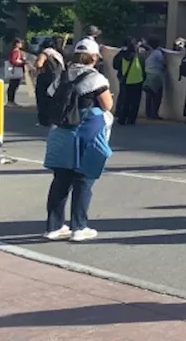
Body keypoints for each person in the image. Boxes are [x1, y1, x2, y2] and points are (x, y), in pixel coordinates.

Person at [42, 38, 114, 242]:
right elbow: (107, 105)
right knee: (84, 178)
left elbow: (50, 94)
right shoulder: (96, 78)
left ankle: (54, 227)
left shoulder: (64, 75)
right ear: (93, 57)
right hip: (87, 131)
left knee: (61, 179)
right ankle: (79, 227)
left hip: (61, 130)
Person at [34, 37, 66, 127]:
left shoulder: (44, 53)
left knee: (42, 99)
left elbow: (39, 64)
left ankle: (43, 120)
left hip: (45, 79)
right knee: (53, 99)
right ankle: (54, 119)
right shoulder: (57, 54)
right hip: (57, 79)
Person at [114, 40, 146, 126]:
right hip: (138, 80)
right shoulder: (140, 55)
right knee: (135, 101)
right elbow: (143, 66)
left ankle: (122, 118)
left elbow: (115, 65)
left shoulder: (123, 54)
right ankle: (132, 119)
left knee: (125, 100)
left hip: (126, 80)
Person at [142, 37, 167, 120]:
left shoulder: (147, 52)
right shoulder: (158, 53)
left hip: (148, 74)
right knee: (157, 96)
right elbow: (164, 63)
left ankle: (148, 113)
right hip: (156, 75)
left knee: (149, 95)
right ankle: (155, 113)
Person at [4, 38, 27, 107]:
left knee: (14, 86)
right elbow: (13, 61)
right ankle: (10, 101)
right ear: (16, 44)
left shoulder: (17, 51)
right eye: (20, 43)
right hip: (15, 70)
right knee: (13, 86)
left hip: (16, 70)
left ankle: (11, 101)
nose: (21, 44)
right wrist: (22, 63)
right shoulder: (15, 51)